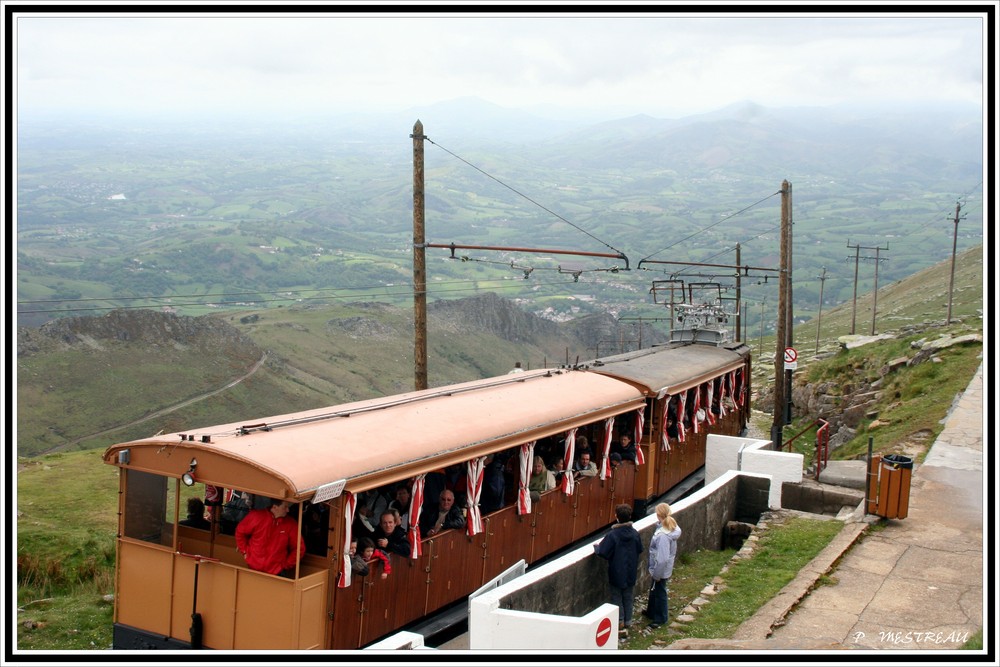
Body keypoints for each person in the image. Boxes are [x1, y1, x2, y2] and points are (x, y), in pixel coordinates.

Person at [594, 504, 642, 637]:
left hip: (616, 571)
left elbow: (603, 552)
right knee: (628, 596)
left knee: (616, 597)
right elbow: (640, 549)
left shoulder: (613, 535)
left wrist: (596, 548)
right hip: (631, 570)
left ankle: (619, 620)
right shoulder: (634, 534)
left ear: (617, 517)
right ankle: (628, 620)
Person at [234, 498, 305, 577]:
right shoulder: (256, 516)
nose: (288, 510)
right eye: (285, 507)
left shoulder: (291, 524)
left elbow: (299, 548)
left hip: (276, 572)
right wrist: (244, 551)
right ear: (274, 507)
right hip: (253, 568)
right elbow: (240, 532)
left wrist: (285, 565)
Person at [645, 502, 682, 629]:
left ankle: (661, 618)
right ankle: (651, 612)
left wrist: (657, 574)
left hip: (660, 569)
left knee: (660, 592)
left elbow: (662, 558)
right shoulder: (671, 528)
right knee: (655, 589)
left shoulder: (663, 536)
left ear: (658, 515)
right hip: (662, 568)